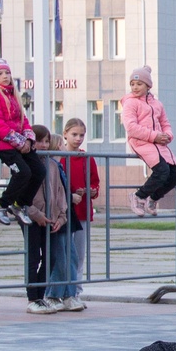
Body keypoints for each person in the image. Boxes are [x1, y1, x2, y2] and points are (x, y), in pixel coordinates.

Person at [0, 58, 45, 226]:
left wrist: (29, 138)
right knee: (23, 172)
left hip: (18, 143)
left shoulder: (13, 95)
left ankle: (20, 204)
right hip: (1, 143)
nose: (5, 76)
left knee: (39, 171)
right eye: (0, 73)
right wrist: (19, 142)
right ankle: (1, 204)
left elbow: (23, 120)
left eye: (7, 72)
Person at [121, 66, 176, 217]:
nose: (135, 87)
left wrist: (167, 135)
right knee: (162, 170)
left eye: (139, 84)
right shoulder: (130, 103)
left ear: (148, 86)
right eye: (132, 84)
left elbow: (165, 123)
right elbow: (131, 127)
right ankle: (138, 196)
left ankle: (152, 198)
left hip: (158, 144)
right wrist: (154, 136)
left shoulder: (157, 104)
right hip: (141, 141)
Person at [23, 126, 70, 315]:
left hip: (51, 219)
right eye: (39, 141)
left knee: (50, 257)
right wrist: (35, 214)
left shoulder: (52, 164)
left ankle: (40, 295)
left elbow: (59, 193)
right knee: (33, 256)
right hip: (31, 218)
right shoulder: (26, 163)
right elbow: (22, 197)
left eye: (46, 140)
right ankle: (32, 297)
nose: (43, 144)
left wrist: (61, 216)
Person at [59, 118, 99, 311]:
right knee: (63, 253)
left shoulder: (87, 158)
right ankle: (59, 292)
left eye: (81, 135)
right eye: (74, 134)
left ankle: (75, 292)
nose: (78, 138)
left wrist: (92, 191)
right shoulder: (58, 156)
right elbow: (57, 183)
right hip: (64, 212)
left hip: (82, 211)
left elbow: (95, 181)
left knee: (79, 255)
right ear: (65, 133)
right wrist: (71, 194)